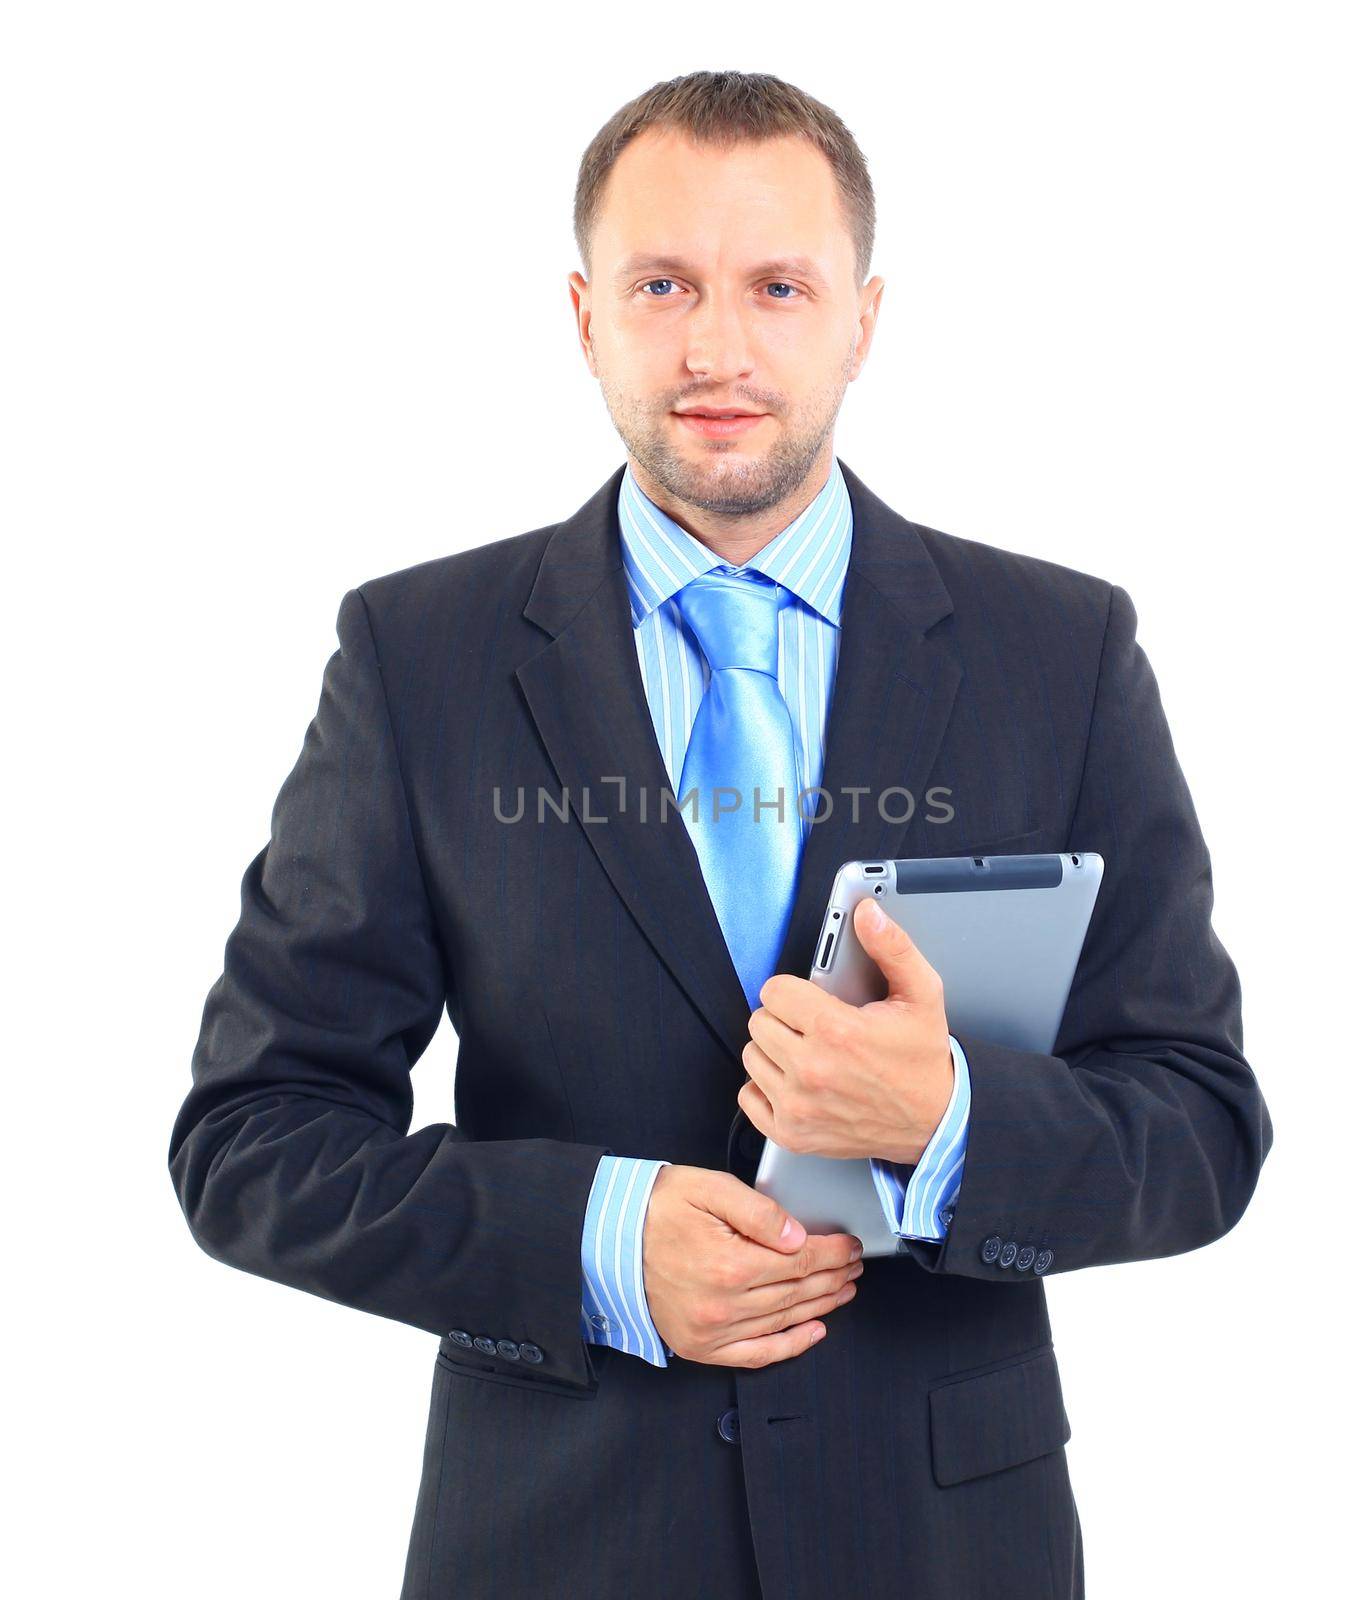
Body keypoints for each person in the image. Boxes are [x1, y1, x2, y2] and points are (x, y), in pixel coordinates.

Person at [169, 68, 1273, 1600]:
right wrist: (598, 1242)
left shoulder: (1060, 651)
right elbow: (251, 1140)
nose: (717, 347)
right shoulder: (419, 659)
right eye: (664, 283)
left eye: (777, 286)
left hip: (949, 1550)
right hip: (555, 1546)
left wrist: (946, 1120)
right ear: (583, 313)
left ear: (863, 321)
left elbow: (1202, 1124)